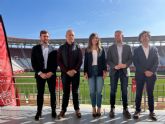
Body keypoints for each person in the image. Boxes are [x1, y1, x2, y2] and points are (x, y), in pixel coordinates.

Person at [31, 30, 57, 121]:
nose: (45, 38)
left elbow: (56, 63)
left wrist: (52, 72)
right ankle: (39, 111)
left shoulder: (53, 49)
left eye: (47, 36)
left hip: (51, 74)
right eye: (44, 36)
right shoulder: (35, 48)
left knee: (53, 93)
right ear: (40, 37)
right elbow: (33, 63)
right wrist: (40, 73)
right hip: (40, 74)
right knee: (40, 94)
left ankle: (53, 110)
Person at [133, 31, 159, 121]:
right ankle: (137, 111)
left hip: (151, 75)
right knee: (138, 93)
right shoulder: (136, 50)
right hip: (140, 74)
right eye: (143, 36)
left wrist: (151, 71)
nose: (145, 37)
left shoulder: (154, 49)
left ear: (149, 38)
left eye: (146, 36)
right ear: (140, 39)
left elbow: (156, 62)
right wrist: (145, 71)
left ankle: (151, 112)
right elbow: (136, 63)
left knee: (150, 94)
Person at [57, 29, 83, 119]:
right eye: (69, 35)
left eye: (72, 35)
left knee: (75, 92)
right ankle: (63, 110)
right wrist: (66, 71)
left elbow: (80, 61)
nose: (71, 36)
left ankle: (77, 109)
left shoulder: (78, 47)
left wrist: (75, 70)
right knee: (66, 93)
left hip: (76, 73)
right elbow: (59, 61)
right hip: (65, 74)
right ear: (66, 36)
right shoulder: (61, 48)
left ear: (74, 37)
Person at [107, 30, 132, 119]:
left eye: (119, 35)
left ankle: (125, 109)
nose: (117, 37)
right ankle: (112, 109)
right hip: (114, 71)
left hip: (124, 71)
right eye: (116, 35)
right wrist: (115, 66)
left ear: (122, 36)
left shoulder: (128, 47)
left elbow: (130, 59)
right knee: (113, 90)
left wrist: (125, 65)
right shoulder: (110, 48)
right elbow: (108, 60)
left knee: (124, 91)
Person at [84, 33, 107, 118]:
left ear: (98, 40)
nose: (95, 39)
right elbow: (85, 62)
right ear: (90, 39)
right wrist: (85, 72)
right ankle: (93, 108)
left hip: (100, 71)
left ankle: (99, 108)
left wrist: (105, 72)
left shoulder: (102, 49)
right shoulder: (87, 50)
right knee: (92, 92)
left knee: (99, 92)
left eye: (96, 38)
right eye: (93, 38)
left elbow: (104, 62)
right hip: (90, 71)